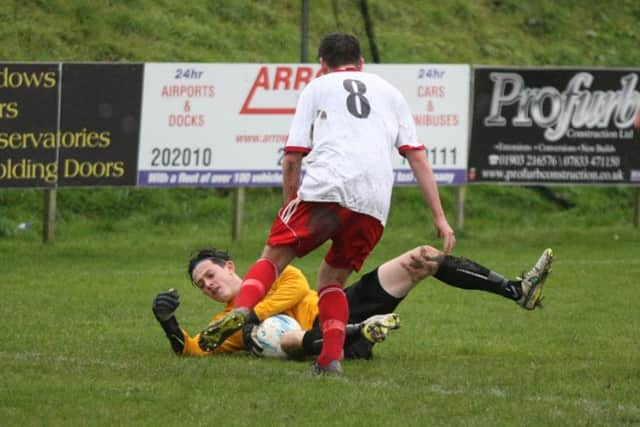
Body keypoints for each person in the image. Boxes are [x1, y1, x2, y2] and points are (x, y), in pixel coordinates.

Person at [197, 32, 456, 375]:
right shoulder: (390, 92)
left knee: (273, 258)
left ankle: (242, 310)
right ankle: (330, 360)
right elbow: (417, 158)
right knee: (331, 282)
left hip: (327, 188)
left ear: (322, 65)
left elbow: (292, 158)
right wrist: (440, 217)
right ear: (361, 63)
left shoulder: (317, 87)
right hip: (374, 203)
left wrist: (290, 211)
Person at [152, 246, 553, 367]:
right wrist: (169, 322)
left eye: (209, 274)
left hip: (343, 305)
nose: (207, 285)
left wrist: (250, 312)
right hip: (320, 339)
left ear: (230, 268)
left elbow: (298, 282)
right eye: (200, 284)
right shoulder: (226, 323)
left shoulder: (273, 277)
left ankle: (517, 290)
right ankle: (358, 334)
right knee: (270, 335)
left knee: (424, 257)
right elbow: (194, 347)